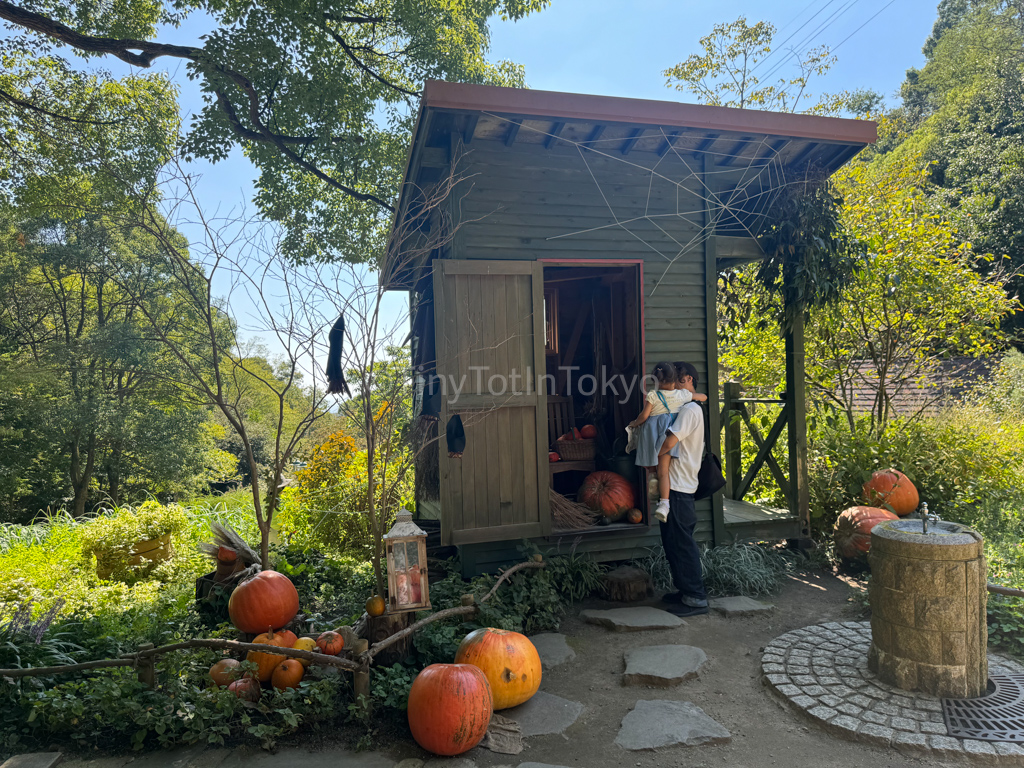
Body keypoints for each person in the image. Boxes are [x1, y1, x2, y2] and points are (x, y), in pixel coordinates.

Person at [656, 360, 709, 617]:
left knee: (682, 544)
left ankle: (696, 597)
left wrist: (653, 455)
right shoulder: (683, 407)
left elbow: (670, 441)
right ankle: (684, 590)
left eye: (676, 378)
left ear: (688, 380)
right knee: (672, 543)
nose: (672, 383)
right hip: (675, 487)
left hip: (679, 488)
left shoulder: (690, 410)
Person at [628, 361, 706, 523]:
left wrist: (634, 424)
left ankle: (654, 491)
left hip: (654, 435)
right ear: (675, 380)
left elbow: (644, 416)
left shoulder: (653, 395)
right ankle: (664, 503)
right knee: (663, 471)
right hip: (666, 433)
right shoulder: (682, 397)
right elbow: (703, 397)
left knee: (652, 469)